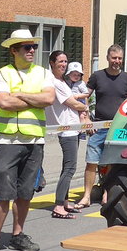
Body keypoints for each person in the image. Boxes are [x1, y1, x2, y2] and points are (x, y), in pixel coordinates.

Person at [0, 29, 54, 251]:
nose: (32, 50)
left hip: (34, 139)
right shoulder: (2, 73)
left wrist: (21, 95)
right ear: (14, 50)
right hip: (8, 139)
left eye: (33, 46)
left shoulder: (43, 73)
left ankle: (17, 234)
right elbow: (4, 102)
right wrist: (33, 98)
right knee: (2, 191)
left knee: (25, 192)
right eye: (26, 47)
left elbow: (49, 99)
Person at [84, 45, 127, 201]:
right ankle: (86, 196)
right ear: (108, 58)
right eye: (114, 58)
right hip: (98, 126)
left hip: (118, 127)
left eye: (120, 58)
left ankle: (107, 193)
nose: (117, 61)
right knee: (91, 161)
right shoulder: (97, 76)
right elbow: (85, 96)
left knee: (111, 162)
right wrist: (86, 118)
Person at [46, 51, 89, 219]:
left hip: (73, 127)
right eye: (60, 62)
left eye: (65, 61)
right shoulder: (54, 81)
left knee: (68, 166)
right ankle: (58, 205)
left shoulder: (62, 80)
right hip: (67, 129)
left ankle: (64, 201)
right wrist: (84, 108)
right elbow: (69, 101)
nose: (63, 64)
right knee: (70, 167)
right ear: (52, 63)